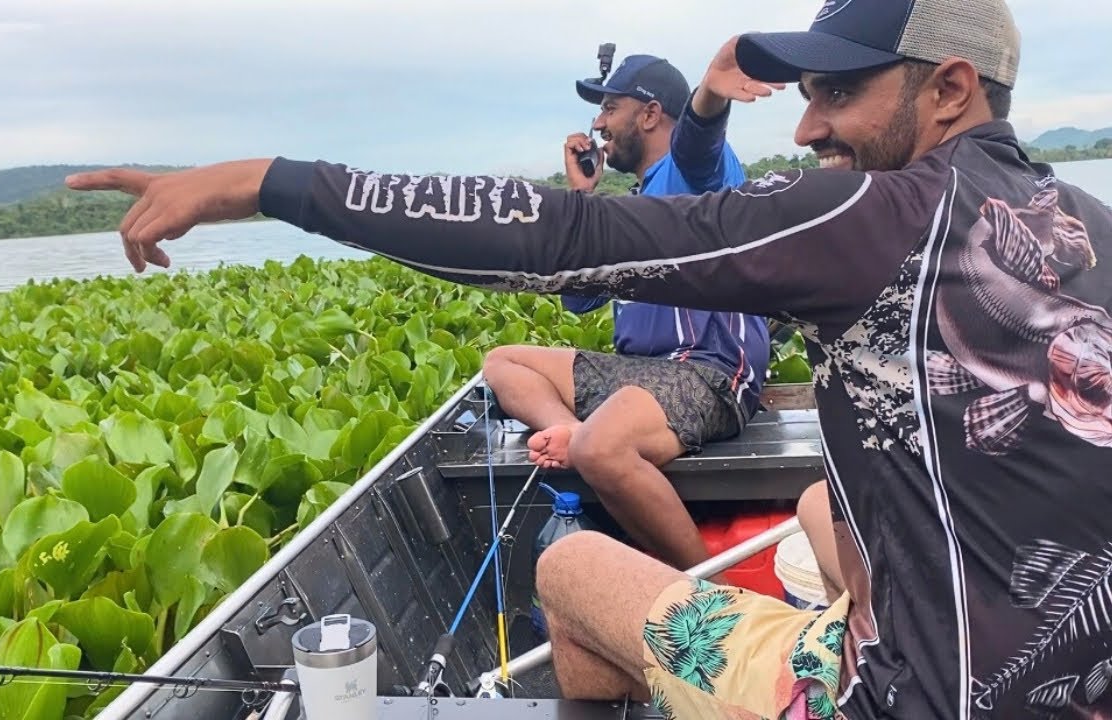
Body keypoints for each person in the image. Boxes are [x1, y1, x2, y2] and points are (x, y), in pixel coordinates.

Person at [64, 0, 1112, 715]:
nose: (805, 122)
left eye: (837, 95)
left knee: (569, 568)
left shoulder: (876, 212)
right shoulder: (1088, 225)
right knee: (807, 519)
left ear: (948, 90)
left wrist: (267, 182)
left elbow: (562, 239)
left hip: (905, 700)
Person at [482, 53, 770, 572]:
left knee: (602, 448)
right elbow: (580, 294)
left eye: (609, 108)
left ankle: (716, 602)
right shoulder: (627, 208)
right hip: (642, 379)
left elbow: (700, 138)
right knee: (503, 362)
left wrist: (711, 93)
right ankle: (569, 431)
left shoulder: (694, 176)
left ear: (651, 114)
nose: (596, 124)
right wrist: (581, 200)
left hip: (707, 372)